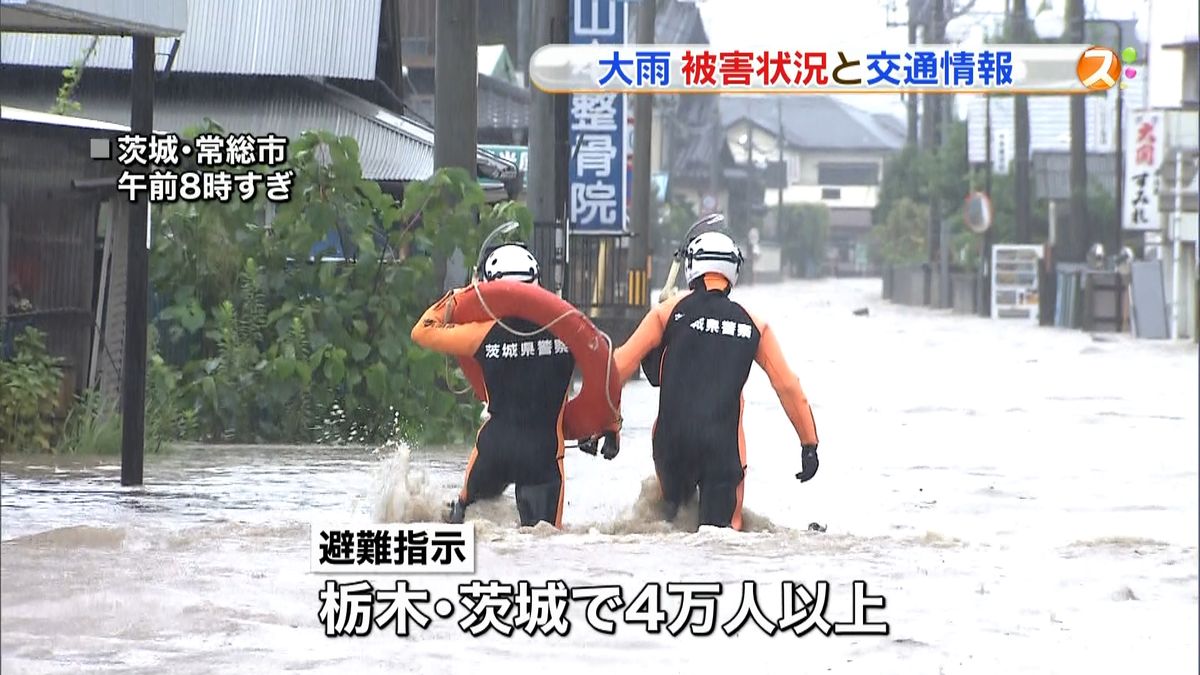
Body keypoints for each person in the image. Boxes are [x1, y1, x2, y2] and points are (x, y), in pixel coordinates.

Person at [588, 216, 819, 531]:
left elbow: (615, 370)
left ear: (691, 267)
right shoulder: (755, 326)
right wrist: (809, 443)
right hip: (723, 450)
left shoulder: (666, 313)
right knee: (723, 539)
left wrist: (606, 426)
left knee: (668, 530)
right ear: (734, 271)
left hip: (671, 447)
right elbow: (788, 387)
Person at [410, 240, 617, 529]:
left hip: (494, 450)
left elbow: (423, 330)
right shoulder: (572, 334)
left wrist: (459, 297)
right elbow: (607, 374)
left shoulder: (479, 334)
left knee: (461, 524)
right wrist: (608, 429)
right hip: (543, 458)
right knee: (545, 546)